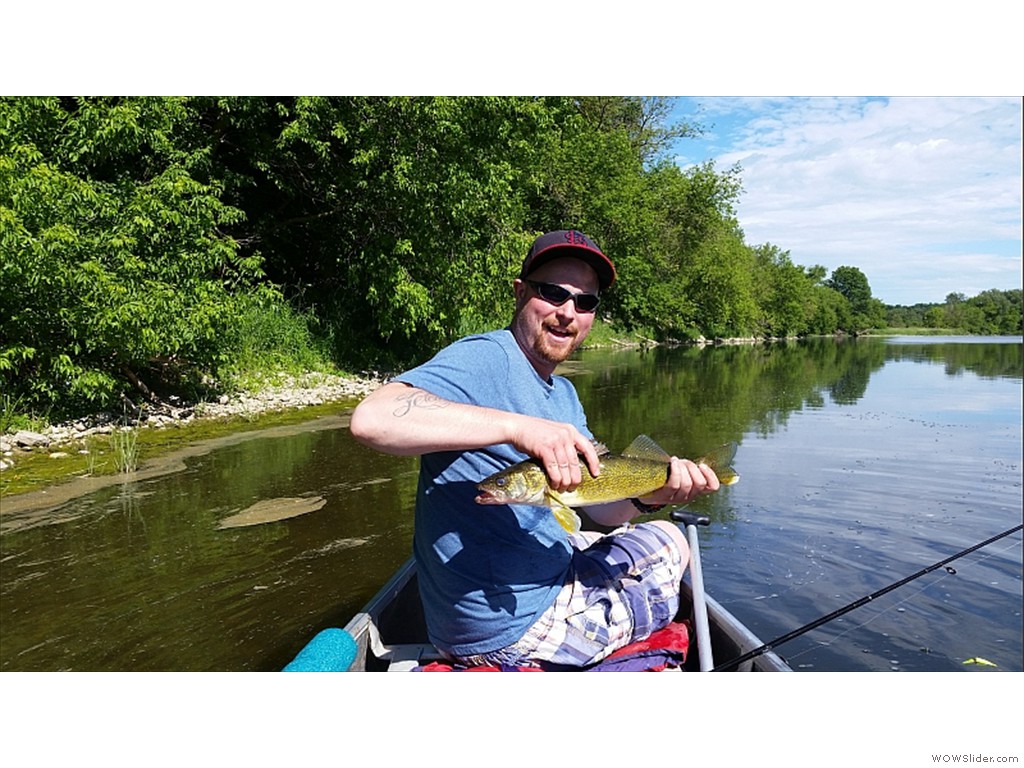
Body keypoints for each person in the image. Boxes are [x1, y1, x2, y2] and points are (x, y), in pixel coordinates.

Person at [350, 229, 721, 668]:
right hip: (506, 631)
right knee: (674, 542)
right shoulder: (486, 358)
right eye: (553, 293)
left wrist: (649, 497)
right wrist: (517, 428)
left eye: (585, 302)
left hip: (537, 578)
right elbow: (370, 420)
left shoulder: (562, 394)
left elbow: (596, 508)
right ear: (520, 292)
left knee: (637, 530)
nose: (568, 313)